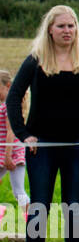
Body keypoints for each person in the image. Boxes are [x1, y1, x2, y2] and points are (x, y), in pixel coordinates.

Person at [5, 5, 79, 242]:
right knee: (40, 203)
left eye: (71, 26)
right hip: (42, 147)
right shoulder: (36, 59)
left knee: (73, 205)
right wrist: (24, 133)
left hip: (78, 147)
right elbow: (14, 97)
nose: (67, 31)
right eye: (61, 26)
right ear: (50, 30)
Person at [0, 70, 31, 220]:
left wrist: (7, 157)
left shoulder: (9, 106)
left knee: (18, 191)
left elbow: (11, 132)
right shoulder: (4, 105)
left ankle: (33, 219)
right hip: (4, 152)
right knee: (18, 191)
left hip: (10, 152)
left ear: (7, 86)